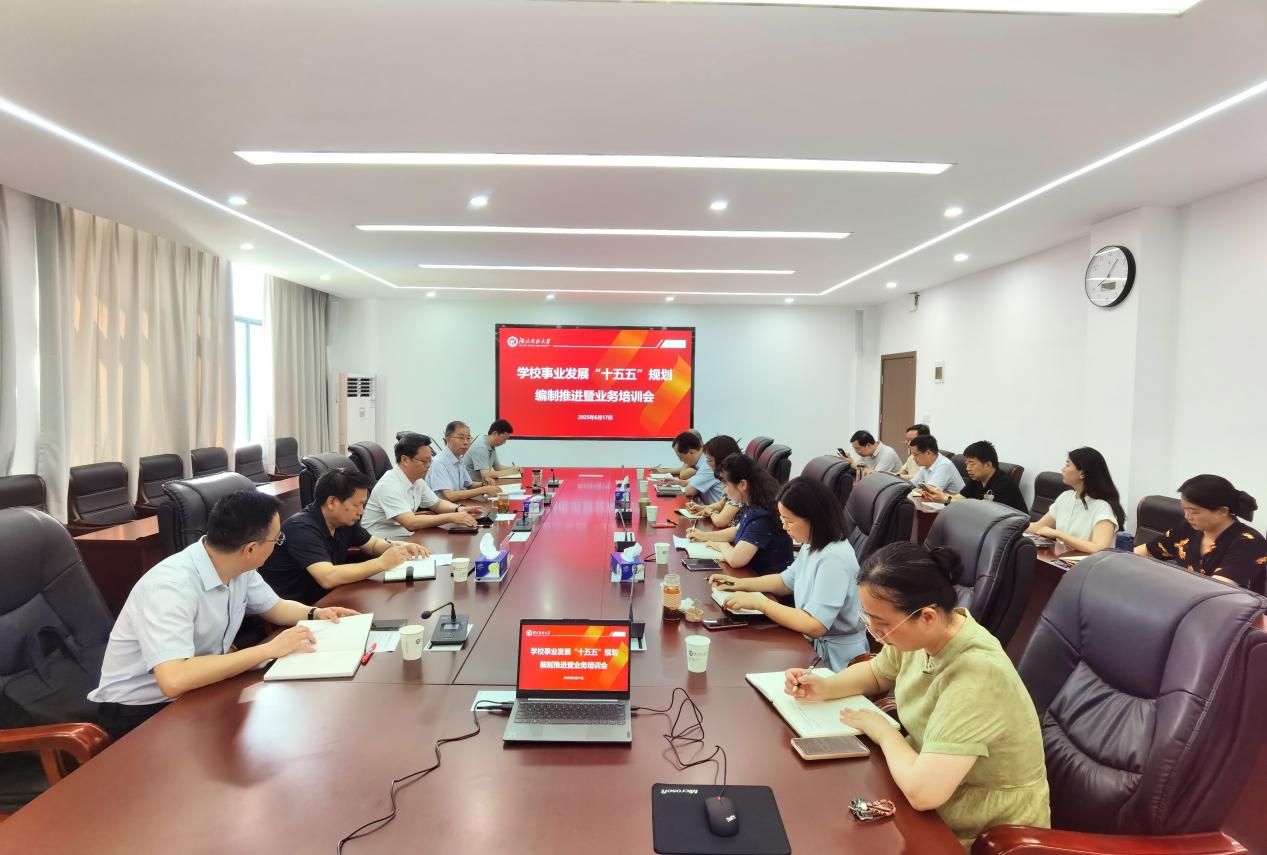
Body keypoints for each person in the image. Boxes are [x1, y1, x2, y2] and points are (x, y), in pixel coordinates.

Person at [784, 541, 1050, 849]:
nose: (874, 632)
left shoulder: (978, 673)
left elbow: (924, 793)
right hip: (925, 788)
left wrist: (883, 730)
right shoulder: (924, 635)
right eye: (868, 618)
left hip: (982, 832)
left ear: (927, 617)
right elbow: (877, 673)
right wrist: (824, 686)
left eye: (881, 623)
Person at [88, 490, 360, 738]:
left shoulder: (237, 566)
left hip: (199, 689)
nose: (278, 544)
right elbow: (173, 679)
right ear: (250, 549)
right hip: (140, 711)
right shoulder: (170, 586)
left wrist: (316, 613)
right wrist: (267, 650)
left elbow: (274, 607)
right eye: (277, 539)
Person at [709, 477, 867, 669]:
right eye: (782, 520)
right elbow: (785, 581)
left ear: (813, 518)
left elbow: (815, 625)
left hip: (834, 661)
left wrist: (761, 603)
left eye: (789, 521)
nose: (784, 527)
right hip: (810, 645)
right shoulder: (812, 544)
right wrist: (738, 583)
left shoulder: (834, 557)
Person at [259, 469, 430, 604]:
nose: (362, 511)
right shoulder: (301, 529)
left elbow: (372, 545)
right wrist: (381, 563)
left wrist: (400, 547)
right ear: (332, 502)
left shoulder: (343, 520)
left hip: (330, 597)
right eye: (357, 504)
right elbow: (327, 577)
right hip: (301, 607)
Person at [1134, 474, 1266, 594]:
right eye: (1184, 509)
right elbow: (1146, 551)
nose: (1187, 516)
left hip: (1227, 608)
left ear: (1222, 511)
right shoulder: (1189, 529)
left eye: (1194, 512)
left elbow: (1216, 591)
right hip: (1186, 600)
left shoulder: (1250, 542)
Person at [360, 432, 483, 538]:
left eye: (430, 460)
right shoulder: (389, 485)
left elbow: (437, 504)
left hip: (403, 534)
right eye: (424, 461)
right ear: (405, 460)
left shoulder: (416, 479)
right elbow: (411, 522)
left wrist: (459, 509)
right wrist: (451, 517)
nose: (429, 465)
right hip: (380, 540)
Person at [690, 452, 794, 574]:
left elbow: (735, 560)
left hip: (763, 580)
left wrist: (721, 545)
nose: (724, 490)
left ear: (743, 484)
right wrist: (704, 536)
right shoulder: (753, 502)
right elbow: (736, 531)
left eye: (726, 484)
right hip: (752, 573)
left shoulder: (761, 515)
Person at [1027, 447, 1124, 554]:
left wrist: (1058, 534)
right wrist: (1015, 523)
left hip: (1088, 563)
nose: (1063, 469)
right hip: (1061, 559)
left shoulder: (1102, 507)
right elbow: (1038, 527)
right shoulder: (1065, 497)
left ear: (1082, 473)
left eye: (1067, 465)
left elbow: (1099, 548)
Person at [920, 440, 1027, 514]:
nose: (967, 468)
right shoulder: (977, 479)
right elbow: (959, 498)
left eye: (972, 464)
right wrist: (940, 496)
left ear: (988, 464)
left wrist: (945, 499)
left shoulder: (1004, 483)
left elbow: (989, 513)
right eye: (966, 464)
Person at [428, 420, 502, 502]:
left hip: (460, 503)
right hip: (446, 506)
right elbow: (449, 496)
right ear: (448, 440)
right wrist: (484, 489)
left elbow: (469, 485)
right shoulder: (439, 462)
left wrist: (483, 484)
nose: (466, 442)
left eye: (468, 438)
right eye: (461, 438)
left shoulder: (458, 458)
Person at [684, 434, 743, 528]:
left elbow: (720, 521)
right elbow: (720, 505)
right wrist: (702, 508)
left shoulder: (738, 484)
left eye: (709, 460)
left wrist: (710, 512)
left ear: (722, 460)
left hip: (731, 531)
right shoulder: (729, 479)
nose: (707, 464)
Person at [668, 430, 725, 504]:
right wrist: (677, 482)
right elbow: (692, 482)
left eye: (681, 457)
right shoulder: (701, 463)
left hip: (718, 510)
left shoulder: (708, 464)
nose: (681, 460)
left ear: (691, 452)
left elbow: (689, 491)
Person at [465, 419, 521, 484]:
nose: (504, 442)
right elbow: (486, 475)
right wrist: (511, 471)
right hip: (471, 486)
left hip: (480, 484)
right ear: (495, 433)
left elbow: (498, 467)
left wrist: (515, 469)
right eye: (504, 439)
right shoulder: (480, 447)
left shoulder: (490, 443)